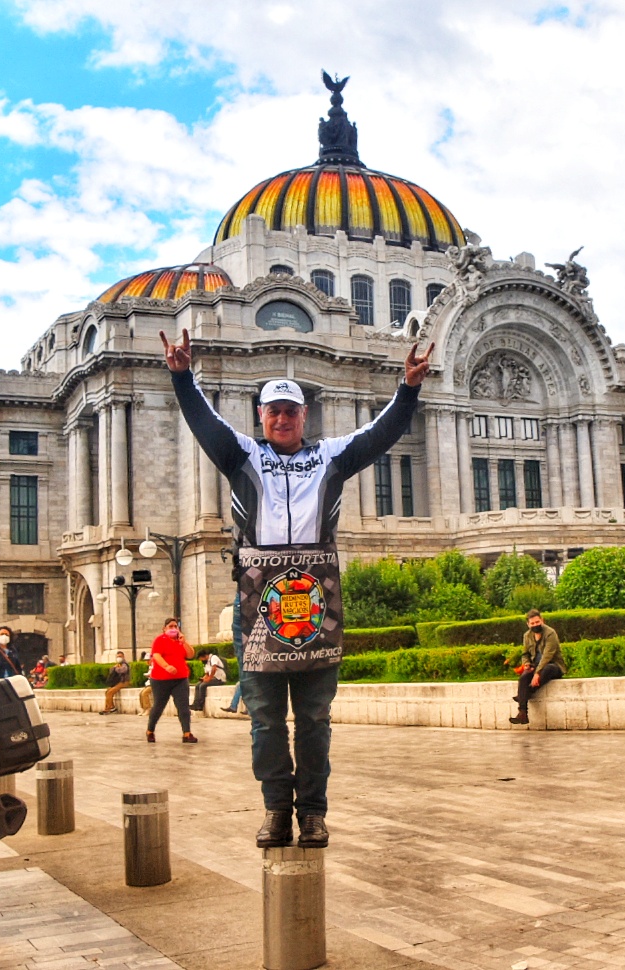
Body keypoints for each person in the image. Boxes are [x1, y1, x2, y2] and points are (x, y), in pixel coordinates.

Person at [162, 326, 433, 849]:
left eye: (291, 411)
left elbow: (379, 435)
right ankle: (275, 811)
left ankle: (311, 812)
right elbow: (204, 423)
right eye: (273, 412)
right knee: (264, 720)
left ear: (304, 416)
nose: (282, 419)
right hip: (258, 605)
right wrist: (182, 379)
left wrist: (407, 391)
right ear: (261, 417)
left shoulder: (330, 456)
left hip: (317, 601)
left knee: (313, 718)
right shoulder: (242, 454)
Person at [147, 617, 198, 744]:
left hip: (180, 679)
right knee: (159, 706)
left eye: (175, 626)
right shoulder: (160, 640)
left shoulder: (180, 641)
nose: (173, 628)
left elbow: (191, 655)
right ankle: (150, 731)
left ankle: (187, 733)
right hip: (160, 680)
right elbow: (156, 655)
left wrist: (184, 642)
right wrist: (166, 666)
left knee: (183, 707)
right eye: (170, 626)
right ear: (164, 629)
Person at [510, 610, 564, 725]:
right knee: (524, 677)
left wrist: (537, 673)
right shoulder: (527, 636)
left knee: (547, 669)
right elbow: (525, 654)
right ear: (528, 624)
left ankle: (524, 695)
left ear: (542, 621)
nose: (535, 625)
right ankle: (522, 713)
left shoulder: (550, 633)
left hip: (554, 666)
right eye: (532, 623)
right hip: (535, 666)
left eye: (537, 622)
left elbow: (547, 656)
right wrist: (526, 664)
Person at [193, 648, 228, 715]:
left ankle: (200, 705)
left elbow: (214, 668)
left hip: (219, 678)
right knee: (198, 685)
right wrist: (203, 679)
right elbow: (207, 673)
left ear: (205, 656)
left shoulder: (213, 658)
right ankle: (195, 704)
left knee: (202, 686)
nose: (201, 660)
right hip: (212, 678)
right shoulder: (206, 663)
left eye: (201, 658)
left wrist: (209, 678)